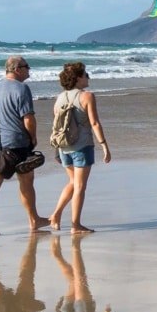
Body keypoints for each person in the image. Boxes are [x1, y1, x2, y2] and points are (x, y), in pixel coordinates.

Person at [0, 55, 48, 238]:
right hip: (15, 143)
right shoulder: (22, 88)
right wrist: (33, 137)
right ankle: (31, 220)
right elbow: (28, 118)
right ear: (17, 69)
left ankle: (31, 219)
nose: (29, 70)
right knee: (23, 181)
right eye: (27, 66)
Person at [48, 61, 111, 234]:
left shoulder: (59, 98)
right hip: (82, 147)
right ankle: (75, 225)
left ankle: (56, 214)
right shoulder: (87, 96)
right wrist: (104, 145)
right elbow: (95, 123)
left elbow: (58, 126)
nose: (88, 77)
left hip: (63, 149)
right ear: (77, 79)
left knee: (73, 182)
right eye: (85, 75)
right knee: (80, 187)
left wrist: (57, 150)